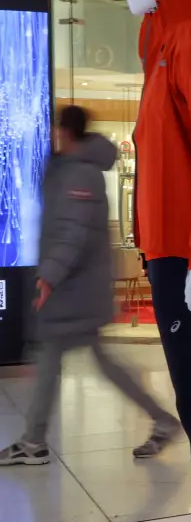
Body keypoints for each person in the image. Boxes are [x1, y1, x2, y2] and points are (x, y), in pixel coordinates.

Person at [0, 105, 181, 467]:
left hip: (75, 290)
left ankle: (34, 440)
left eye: (56, 128)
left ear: (65, 132)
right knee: (89, 361)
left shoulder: (81, 176)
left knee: (57, 357)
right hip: (76, 289)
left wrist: (49, 275)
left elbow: (74, 233)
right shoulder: (72, 169)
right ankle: (160, 420)